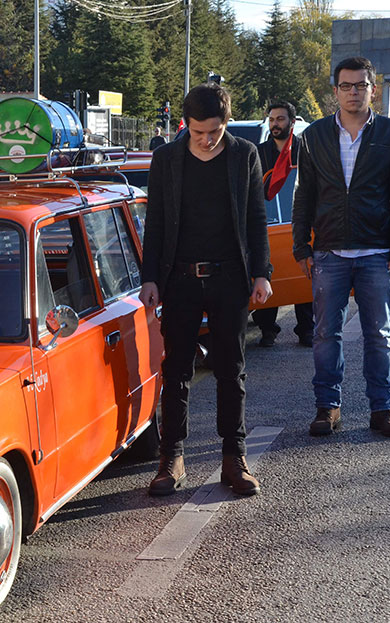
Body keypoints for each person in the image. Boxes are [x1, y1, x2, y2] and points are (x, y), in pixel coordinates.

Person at [140, 83, 273, 497]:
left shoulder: (243, 155)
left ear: (225, 123)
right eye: (197, 131)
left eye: (213, 130)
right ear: (186, 125)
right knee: (176, 368)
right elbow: (156, 222)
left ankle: (234, 459)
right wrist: (150, 278)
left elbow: (256, 216)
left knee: (230, 368)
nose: (205, 139)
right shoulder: (166, 159)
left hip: (229, 277)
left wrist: (261, 273)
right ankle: (171, 459)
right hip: (178, 277)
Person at [291, 56, 390, 438]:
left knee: (380, 334)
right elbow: (304, 195)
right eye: (347, 86)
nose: (354, 92)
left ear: (372, 89)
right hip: (328, 251)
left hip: (376, 251)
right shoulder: (314, 136)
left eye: (361, 85)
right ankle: (327, 407)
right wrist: (301, 247)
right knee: (326, 334)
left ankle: (383, 409)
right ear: (335, 91)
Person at [252, 101, 314, 347]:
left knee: (304, 276)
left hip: (302, 223)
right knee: (270, 273)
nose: (275, 123)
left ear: (292, 121)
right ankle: (268, 329)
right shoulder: (258, 152)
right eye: (272, 119)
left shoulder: (305, 150)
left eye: (280, 119)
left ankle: (307, 330)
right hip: (269, 225)